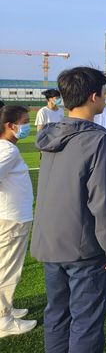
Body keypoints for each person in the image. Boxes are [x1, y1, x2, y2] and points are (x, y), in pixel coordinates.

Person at [31, 67, 106, 353]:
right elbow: (104, 201)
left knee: (57, 315)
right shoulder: (97, 141)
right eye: (104, 93)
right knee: (86, 323)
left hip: (50, 242)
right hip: (84, 248)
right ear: (93, 96)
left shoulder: (50, 134)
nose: (105, 98)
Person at [0, 105, 37, 338]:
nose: (27, 126)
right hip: (12, 219)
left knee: (6, 266)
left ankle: (6, 308)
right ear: (10, 126)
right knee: (7, 270)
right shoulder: (8, 150)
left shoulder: (7, 148)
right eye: (24, 122)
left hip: (12, 217)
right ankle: (3, 320)